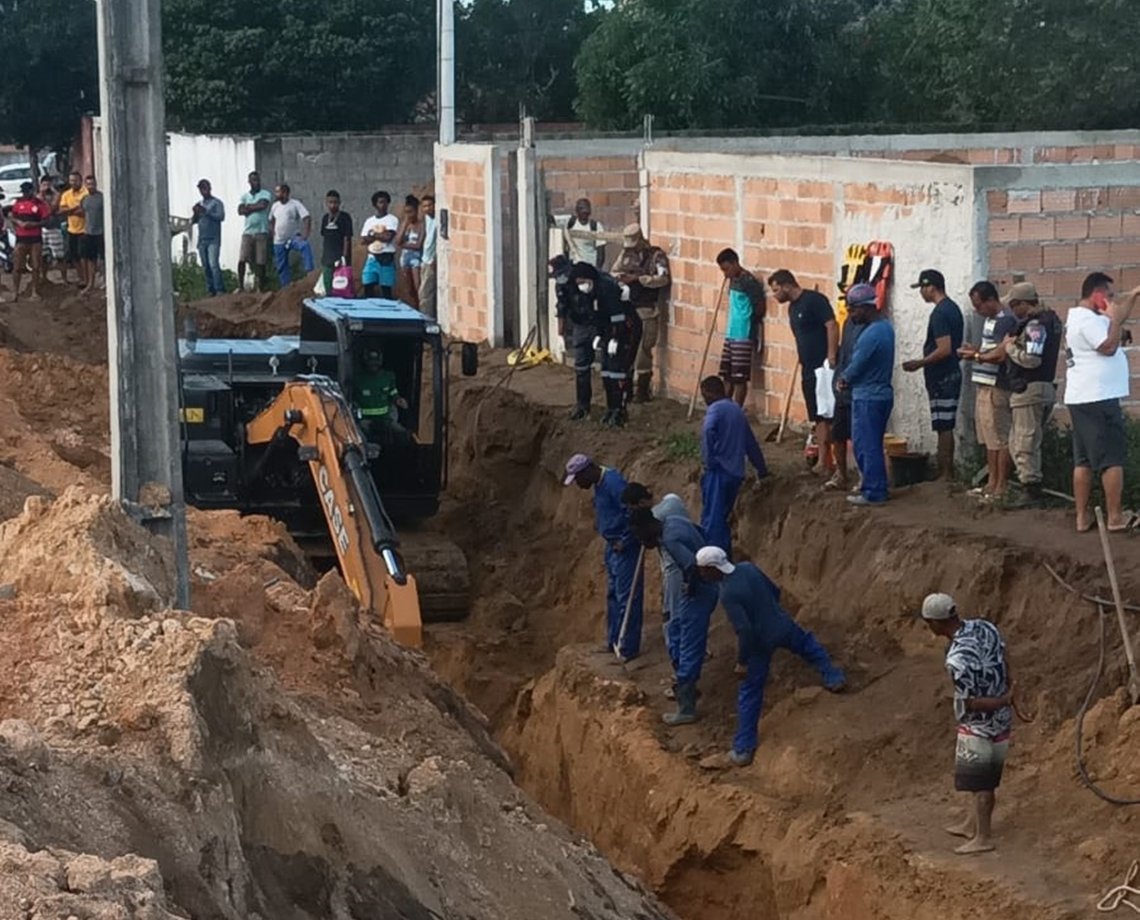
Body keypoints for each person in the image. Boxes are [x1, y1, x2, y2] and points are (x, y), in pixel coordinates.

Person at [695, 546, 845, 767]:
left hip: (759, 642)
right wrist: (770, 611)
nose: (701, 574)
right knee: (808, 646)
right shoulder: (748, 568)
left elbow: (744, 630)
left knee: (750, 692)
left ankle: (743, 750)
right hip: (780, 623)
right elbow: (774, 590)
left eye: (702, 570)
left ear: (712, 569)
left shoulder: (727, 593)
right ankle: (834, 677)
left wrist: (742, 661)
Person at [920, 592, 1013, 855]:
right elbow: (1005, 655)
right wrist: (1009, 689)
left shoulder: (957, 659)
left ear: (936, 623)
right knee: (986, 777)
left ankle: (983, 837)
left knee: (981, 781)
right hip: (1002, 720)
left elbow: (971, 702)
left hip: (979, 724)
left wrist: (1003, 699)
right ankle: (971, 824)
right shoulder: (985, 627)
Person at [1063, 273, 1140, 532]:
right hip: (1098, 398)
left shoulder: (1082, 318)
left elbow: (1118, 316)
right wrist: (1116, 321)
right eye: (1108, 296)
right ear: (1096, 295)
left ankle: (1082, 517)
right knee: (1111, 458)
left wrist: (1133, 296)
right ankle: (1115, 517)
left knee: (1083, 460)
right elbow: (1107, 346)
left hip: (1082, 397)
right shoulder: (1087, 321)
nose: (1111, 301)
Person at [629, 508, 719, 725]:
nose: (643, 544)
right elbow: (701, 532)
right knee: (680, 632)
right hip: (706, 588)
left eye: (641, 537)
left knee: (688, 645)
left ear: (647, 528)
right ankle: (686, 688)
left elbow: (691, 566)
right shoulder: (674, 520)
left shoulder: (670, 539)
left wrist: (689, 587)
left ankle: (687, 707)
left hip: (700, 592)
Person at [564, 454, 645, 662]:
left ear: (587, 471)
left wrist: (625, 541)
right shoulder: (599, 484)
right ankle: (613, 640)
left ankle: (628, 647)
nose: (579, 486)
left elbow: (632, 511)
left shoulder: (613, 483)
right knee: (613, 595)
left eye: (578, 480)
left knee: (628, 597)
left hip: (624, 548)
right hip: (612, 546)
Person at [769, 269, 838, 473]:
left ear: (787, 285)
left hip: (823, 368)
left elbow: (832, 325)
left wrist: (831, 356)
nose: (775, 295)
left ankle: (831, 461)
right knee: (817, 415)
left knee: (827, 413)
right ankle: (823, 461)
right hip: (807, 368)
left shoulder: (815, 301)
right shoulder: (792, 308)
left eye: (776, 290)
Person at [1002, 282, 1062, 503]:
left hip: (1030, 389)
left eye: (1014, 305)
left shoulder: (1035, 326)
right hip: (1040, 388)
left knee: (1025, 441)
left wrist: (1009, 347)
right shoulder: (1050, 321)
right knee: (1021, 440)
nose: (1012, 311)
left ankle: (1031, 488)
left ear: (1023, 304)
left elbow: (1032, 359)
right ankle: (1028, 483)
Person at [903, 269, 965, 480]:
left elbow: (944, 348)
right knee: (945, 423)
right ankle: (946, 472)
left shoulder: (940, 313)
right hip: (951, 373)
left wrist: (919, 363)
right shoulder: (953, 308)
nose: (921, 292)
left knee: (943, 425)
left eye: (922, 287)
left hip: (942, 376)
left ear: (931, 287)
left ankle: (945, 473)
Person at [621, 483, 691, 670]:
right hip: (685, 568)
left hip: (675, 572)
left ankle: (679, 664)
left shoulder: (667, 536)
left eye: (633, 507)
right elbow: (671, 497)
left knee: (672, 617)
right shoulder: (672, 506)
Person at [838, 284, 895, 506]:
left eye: (853, 310)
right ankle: (874, 485)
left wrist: (844, 379)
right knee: (871, 443)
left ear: (864, 307)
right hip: (879, 394)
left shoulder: (871, 335)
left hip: (868, 396)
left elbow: (857, 365)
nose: (851, 315)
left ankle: (874, 490)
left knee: (866, 445)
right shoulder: (885, 327)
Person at [960, 282, 1018, 500]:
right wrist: (975, 350)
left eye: (979, 306)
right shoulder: (990, 320)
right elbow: (989, 349)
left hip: (997, 385)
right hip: (984, 383)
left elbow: (1000, 353)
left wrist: (975, 356)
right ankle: (991, 482)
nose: (977, 311)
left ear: (991, 300)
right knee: (988, 438)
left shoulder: (1005, 321)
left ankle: (1000, 484)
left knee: (999, 438)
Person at [699, 376, 768, 553]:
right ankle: (725, 558)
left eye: (704, 395)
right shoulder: (736, 410)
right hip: (735, 473)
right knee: (723, 516)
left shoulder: (715, 409)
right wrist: (762, 469)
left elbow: (708, 429)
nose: (704, 400)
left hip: (718, 471)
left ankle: (714, 561)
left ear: (709, 393)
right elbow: (750, 443)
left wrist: (709, 461)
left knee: (713, 520)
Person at [568, 262, 642, 427]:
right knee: (606, 370)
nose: (581, 286)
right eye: (578, 283)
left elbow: (618, 316)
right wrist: (600, 336)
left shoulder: (606, 287)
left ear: (590, 279)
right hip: (608, 328)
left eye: (583, 282)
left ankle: (620, 411)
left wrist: (615, 338)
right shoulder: (588, 293)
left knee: (618, 369)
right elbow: (597, 316)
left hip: (626, 327)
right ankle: (610, 408)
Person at [611, 224, 671, 402]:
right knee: (627, 348)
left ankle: (642, 390)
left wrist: (639, 279)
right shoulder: (625, 254)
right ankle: (627, 389)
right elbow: (614, 271)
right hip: (628, 306)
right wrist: (622, 279)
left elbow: (663, 279)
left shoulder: (656, 256)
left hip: (646, 307)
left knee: (643, 350)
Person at [827, 288, 869, 492]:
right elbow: (844, 353)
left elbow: (861, 359)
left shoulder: (872, 329)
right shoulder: (848, 324)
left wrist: (849, 377)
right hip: (843, 389)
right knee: (838, 433)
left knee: (860, 436)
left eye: (853, 309)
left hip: (859, 390)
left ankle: (864, 477)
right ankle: (841, 474)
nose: (850, 313)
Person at [715, 248, 767, 407]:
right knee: (727, 376)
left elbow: (759, 306)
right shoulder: (732, 280)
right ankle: (724, 407)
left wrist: (751, 321)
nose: (725, 274)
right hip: (731, 333)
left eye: (726, 269)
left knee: (739, 377)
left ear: (735, 263)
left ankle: (736, 410)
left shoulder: (748, 281)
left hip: (743, 334)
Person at [550, 254, 600, 420]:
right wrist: (560, 335)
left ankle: (616, 406)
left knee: (609, 365)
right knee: (581, 367)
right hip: (579, 325)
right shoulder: (561, 286)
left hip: (598, 323)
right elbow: (562, 309)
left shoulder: (586, 278)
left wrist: (602, 332)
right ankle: (582, 405)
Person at [7, 181, 51, 301]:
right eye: (24, 192)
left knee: (36, 265)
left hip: (35, 238)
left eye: (27, 191)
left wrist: (34, 224)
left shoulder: (39, 204)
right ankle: (15, 292)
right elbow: (12, 217)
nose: (25, 194)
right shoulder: (18, 203)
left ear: (32, 191)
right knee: (17, 266)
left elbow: (46, 220)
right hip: (21, 238)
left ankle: (35, 292)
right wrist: (19, 223)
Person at [353, 349, 408, 440]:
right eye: (370, 363)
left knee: (403, 435)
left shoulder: (388, 377)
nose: (373, 366)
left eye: (376, 363)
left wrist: (398, 400)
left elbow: (393, 393)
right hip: (365, 421)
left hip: (385, 420)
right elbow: (351, 399)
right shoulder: (357, 379)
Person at [268, 184, 313, 286]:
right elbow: (271, 219)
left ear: (285, 193)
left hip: (293, 238)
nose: (276, 194)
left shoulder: (295, 204)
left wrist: (305, 234)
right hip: (279, 240)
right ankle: (286, 287)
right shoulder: (275, 206)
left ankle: (310, 272)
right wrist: (272, 232)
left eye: (278, 192)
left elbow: (307, 217)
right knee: (281, 266)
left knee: (305, 246)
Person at [237, 171, 273, 292]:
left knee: (260, 261)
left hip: (261, 231)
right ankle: (240, 286)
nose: (256, 182)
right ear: (249, 182)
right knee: (242, 259)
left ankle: (260, 288)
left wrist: (248, 207)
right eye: (254, 180)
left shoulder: (265, 193)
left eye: (257, 180)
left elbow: (263, 205)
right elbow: (240, 211)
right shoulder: (244, 196)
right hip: (247, 232)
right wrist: (253, 206)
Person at [360, 190, 399, 298]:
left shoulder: (392, 219)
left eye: (385, 202)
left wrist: (372, 235)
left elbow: (388, 237)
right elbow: (363, 240)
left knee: (386, 289)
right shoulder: (369, 221)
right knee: (368, 285)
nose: (383, 205)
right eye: (380, 202)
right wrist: (380, 235)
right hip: (372, 257)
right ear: (375, 205)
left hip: (387, 258)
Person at [191, 178, 225, 297]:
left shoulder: (217, 203)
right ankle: (211, 290)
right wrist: (195, 213)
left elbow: (221, 216)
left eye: (204, 188)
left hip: (213, 238)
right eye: (201, 189)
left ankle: (219, 289)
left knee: (213, 264)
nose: (203, 191)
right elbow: (193, 221)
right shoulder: (200, 204)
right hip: (202, 239)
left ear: (209, 188)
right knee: (205, 266)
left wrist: (206, 212)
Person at [318, 189, 353, 294]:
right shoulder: (325, 218)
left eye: (335, 202)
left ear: (339, 203)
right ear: (326, 203)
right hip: (327, 259)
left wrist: (344, 257)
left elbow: (347, 238)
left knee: (341, 286)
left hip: (341, 259)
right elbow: (324, 235)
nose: (333, 205)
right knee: (328, 286)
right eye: (330, 202)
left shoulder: (345, 217)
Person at [57, 171, 88, 287]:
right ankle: (82, 278)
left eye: (75, 180)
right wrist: (75, 208)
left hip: (85, 230)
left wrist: (69, 210)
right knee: (74, 256)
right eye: (71, 181)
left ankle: (87, 279)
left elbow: (84, 212)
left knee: (84, 256)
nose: (73, 183)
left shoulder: (86, 193)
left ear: (80, 181)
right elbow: (61, 211)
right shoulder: (66, 194)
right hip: (71, 230)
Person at [397, 194, 425, 307]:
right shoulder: (406, 225)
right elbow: (398, 241)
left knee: (418, 285)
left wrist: (404, 244)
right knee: (409, 288)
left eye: (411, 212)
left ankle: (421, 307)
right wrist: (405, 224)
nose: (409, 215)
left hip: (416, 257)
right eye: (406, 212)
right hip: (405, 258)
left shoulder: (421, 225)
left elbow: (418, 245)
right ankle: (414, 306)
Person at [562, 197, 606, 269]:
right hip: (574, 266)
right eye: (581, 208)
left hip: (590, 266)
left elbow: (601, 253)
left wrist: (597, 271)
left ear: (590, 211)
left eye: (586, 208)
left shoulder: (596, 226)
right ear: (577, 211)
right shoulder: (570, 223)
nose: (584, 211)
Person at [79, 175, 104, 295]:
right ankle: (90, 284)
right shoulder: (84, 199)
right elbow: (83, 213)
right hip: (88, 233)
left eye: (92, 184)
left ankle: (105, 282)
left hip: (101, 233)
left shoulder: (102, 198)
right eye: (88, 184)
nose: (91, 186)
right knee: (90, 260)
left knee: (103, 259)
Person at [38, 175, 63, 282]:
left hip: (54, 227)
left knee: (59, 256)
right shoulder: (38, 197)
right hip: (43, 228)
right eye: (44, 185)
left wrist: (45, 198)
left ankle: (64, 277)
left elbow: (52, 209)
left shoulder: (56, 195)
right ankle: (44, 277)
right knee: (43, 255)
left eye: (48, 184)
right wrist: (41, 195)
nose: (46, 187)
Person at [419, 194, 437, 317]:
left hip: (431, 260)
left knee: (425, 293)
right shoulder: (427, 218)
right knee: (425, 291)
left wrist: (435, 259)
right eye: (425, 206)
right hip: (424, 259)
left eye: (430, 205)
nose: (427, 208)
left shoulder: (438, 220)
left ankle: (426, 318)